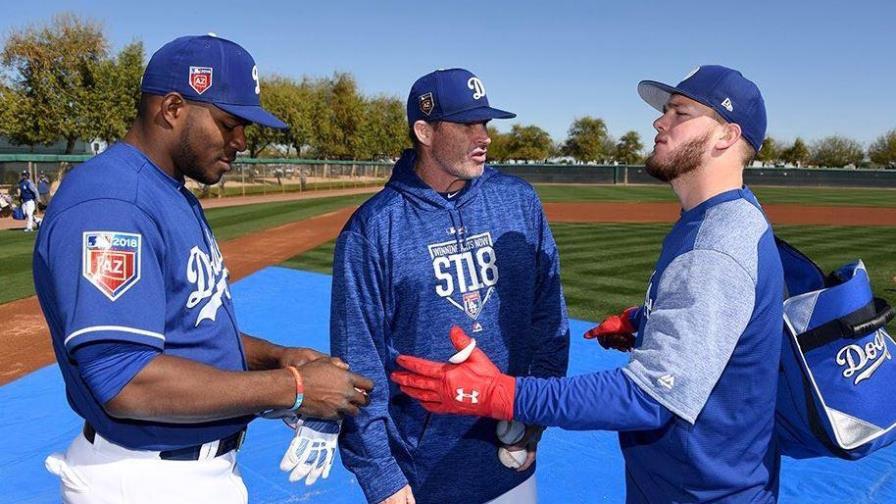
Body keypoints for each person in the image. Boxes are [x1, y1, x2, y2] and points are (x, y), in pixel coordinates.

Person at [392, 65, 785, 503]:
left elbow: (647, 398)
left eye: (680, 112)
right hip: (685, 484)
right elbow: (725, 318)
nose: (660, 122)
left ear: (726, 136)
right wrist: (644, 322)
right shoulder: (718, 218)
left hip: (705, 493)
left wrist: (496, 393)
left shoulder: (716, 245)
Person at [33, 34, 373, 504]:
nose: (241, 142)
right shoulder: (112, 203)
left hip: (181, 474)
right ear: (173, 108)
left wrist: (277, 357)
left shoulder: (167, 191)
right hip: (145, 481)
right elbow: (125, 381)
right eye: (229, 124)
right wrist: (293, 388)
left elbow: (191, 329)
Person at [331, 68, 570, 504]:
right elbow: (360, 359)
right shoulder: (374, 228)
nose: (484, 137)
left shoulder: (519, 202)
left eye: (485, 123)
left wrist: (534, 414)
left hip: (511, 458)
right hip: (422, 475)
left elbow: (549, 319)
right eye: (466, 125)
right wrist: (381, 476)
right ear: (424, 132)